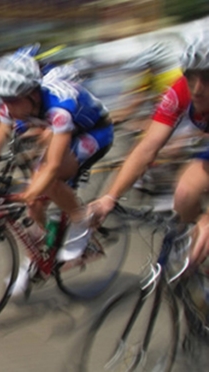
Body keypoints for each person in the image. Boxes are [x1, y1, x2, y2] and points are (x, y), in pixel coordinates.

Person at [0, 51, 114, 293]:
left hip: (95, 133)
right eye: (5, 99)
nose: (8, 106)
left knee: (47, 180)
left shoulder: (59, 106)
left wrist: (30, 191)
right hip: (61, 131)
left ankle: (81, 221)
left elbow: (54, 166)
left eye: (14, 100)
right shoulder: (13, 105)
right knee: (35, 207)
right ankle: (39, 257)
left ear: (33, 95)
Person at [90, 38, 209, 264]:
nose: (198, 88)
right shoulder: (180, 90)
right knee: (184, 194)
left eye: (207, 78)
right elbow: (147, 147)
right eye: (192, 76)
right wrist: (109, 197)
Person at [112, 42, 182, 130]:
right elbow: (137, 100)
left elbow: (167, 115)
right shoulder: (151, 74)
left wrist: (137, 124)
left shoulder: (174, 79)